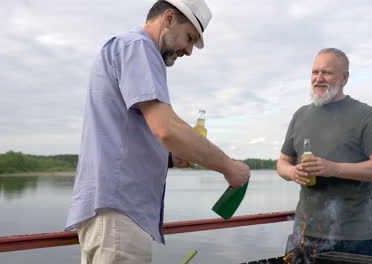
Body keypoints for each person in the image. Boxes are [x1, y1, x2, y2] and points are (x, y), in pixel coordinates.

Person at [65, 1, 250, 263]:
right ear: (169, 18)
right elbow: (166, 129)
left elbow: (124, 136)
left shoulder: (125, 49)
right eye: (189, 38)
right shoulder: (139, 47)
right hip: (119, 213)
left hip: (109, 212)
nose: (188, 51)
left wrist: (170, 159)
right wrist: (229, 168)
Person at [277, 48, 372, 259]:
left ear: (345, 77)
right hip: (303, 233)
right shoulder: (300, 114)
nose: (318, 78)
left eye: (327, 73)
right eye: (314, 72)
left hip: (352, 236)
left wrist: (334, 168)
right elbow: (283, 162)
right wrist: (292, 172)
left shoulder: (365, 115)